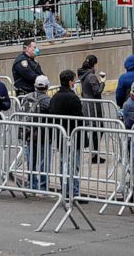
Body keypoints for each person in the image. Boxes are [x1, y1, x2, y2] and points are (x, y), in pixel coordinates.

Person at [49, 69, 84, 198]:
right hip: (73, 135)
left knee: (64, 163)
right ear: (70, 82)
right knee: (74, 165)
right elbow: (79, 117)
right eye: (73, 80)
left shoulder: (55, 97)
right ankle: (73, 191)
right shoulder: (72, 97)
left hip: (61, 135)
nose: (74, 82)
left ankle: (64, 188)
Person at [22, 75, 52, 191]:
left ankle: (32, 186)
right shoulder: (47, 101)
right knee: (44, 162)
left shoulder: (27, 98)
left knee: (31, 161)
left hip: (29, 133)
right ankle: (44, 187)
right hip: (44, 135)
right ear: (47, 86)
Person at [77, 54, 106, 163]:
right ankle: (94, 154)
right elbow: (97, 91)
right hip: (93, 107)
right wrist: (103, 82)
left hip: (88, 105)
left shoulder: (83, 75)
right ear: (94, 64)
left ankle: (94, 152)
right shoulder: (91, 76)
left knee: (95, 130)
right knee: (98, 129)